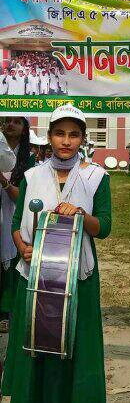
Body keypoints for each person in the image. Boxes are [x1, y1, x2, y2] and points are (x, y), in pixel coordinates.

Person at [1, 104, 111, 402]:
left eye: (74, 135)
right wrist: (23, 247)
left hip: (78, 278)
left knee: (77, 342)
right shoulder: (32, 176)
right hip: (33, 276)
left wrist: (80, 214)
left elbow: (104, 227)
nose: (66, 141)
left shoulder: (96, 177)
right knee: (33, 342)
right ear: (49, 136)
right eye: (60, 133)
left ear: (83, 138)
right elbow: (15, 222)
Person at [0, 117, 31, 317]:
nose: (10, 125)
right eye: (7, 120)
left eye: (17, 122)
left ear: (24, 129)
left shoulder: (29, 159)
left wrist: (3, 180)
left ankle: (6, 313)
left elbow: (23, 197)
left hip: (12, 216)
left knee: (9, 266)